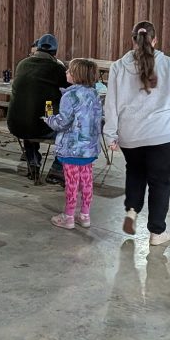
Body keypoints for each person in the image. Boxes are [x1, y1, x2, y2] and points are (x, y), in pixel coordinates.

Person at [104, 21, 170, 245]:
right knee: (160, 182)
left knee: (135, 173)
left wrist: (111, 134)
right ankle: (157, 232)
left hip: (130, 135)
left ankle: (132, 211)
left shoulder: (117, 67)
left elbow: (111, 104)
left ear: (132, 40)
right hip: (162, 133)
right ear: (155, 40)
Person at [45, 59, 103, 230]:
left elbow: (62, 122)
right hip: (89, 148)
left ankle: (68, 217)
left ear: (77, 75)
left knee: (71, 182)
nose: (66, 73)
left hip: (71, 148)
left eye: (69, 70)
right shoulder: (95, 94)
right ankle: (85, 215)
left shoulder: (69, 96)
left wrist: (49, 119)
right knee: (86, 181)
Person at [7, 33, 68, 185]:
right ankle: (57, 169)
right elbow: (70, 92)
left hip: (15, 124)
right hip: (39, 125)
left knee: (29, 113)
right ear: (55, 52)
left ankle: (33, 162)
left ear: (37, 48)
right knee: (71, 129)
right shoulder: (57, 68)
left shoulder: (22, 64)